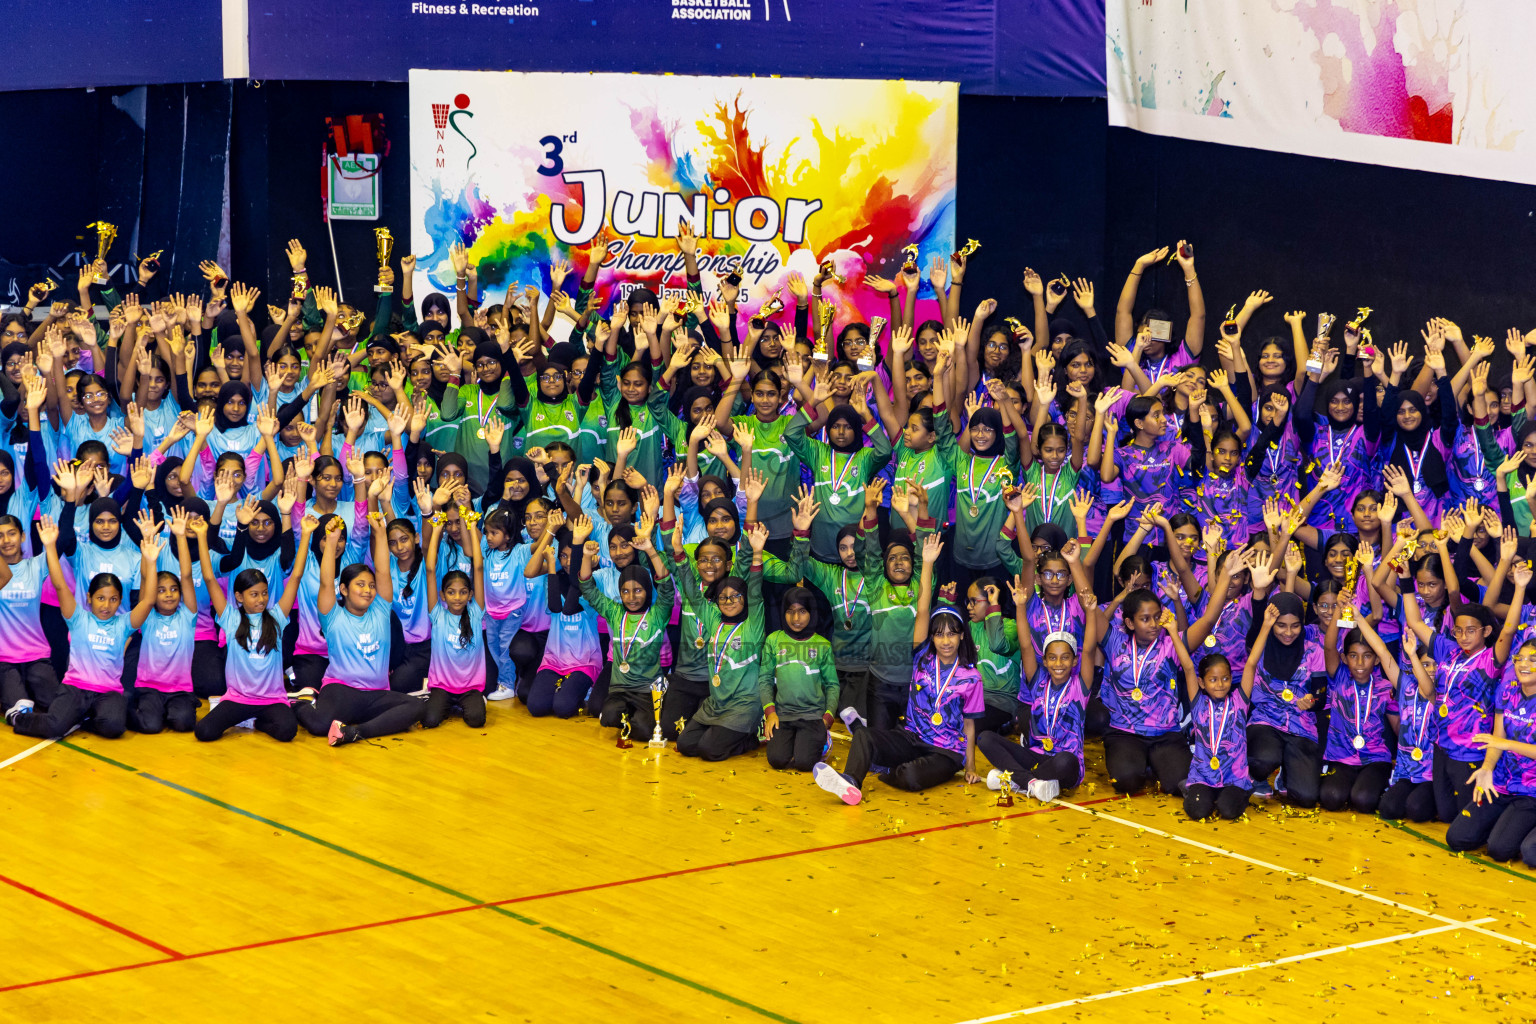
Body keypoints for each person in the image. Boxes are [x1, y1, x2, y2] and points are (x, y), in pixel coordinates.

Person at [812, 535, 984, 804]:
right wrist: (926, 563)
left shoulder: (970, 677)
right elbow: (924, 607)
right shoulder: (921, 658)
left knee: (910, 776)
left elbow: (970, 725)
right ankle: (850, 783)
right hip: (913, 739)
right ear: (932, 637)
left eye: (952, 634)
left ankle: (889, 772)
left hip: (945, 751)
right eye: (939, 635)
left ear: (963, 636)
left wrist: (971, 765)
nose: (946, 640)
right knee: (864, 738)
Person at [9, 513, 159, 740]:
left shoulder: (124, 624)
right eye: (100, 598)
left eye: (113, 599)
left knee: (115, 727)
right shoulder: (77, 617)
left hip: (107, 692)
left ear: (120, 601)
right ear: (89, 598)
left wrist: (150, 560)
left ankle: (86, 717)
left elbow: (148, 600)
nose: (106, 605)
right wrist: (50, 546)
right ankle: (20, 718)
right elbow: (59, 584)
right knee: (54, 728)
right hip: (75, 688)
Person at [290, 514, 426, 745]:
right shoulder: (332, 616)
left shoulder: (381, 611)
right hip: (342, 691)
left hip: (376, 693)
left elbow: (383, 572)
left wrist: (381, 533)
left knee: (414, 706)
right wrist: (332, 540)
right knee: (319, 726)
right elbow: (325, 582)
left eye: (371, 586)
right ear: (343, 589)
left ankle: (355, 731)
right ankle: (302, 703)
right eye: (360, 585)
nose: (368, 591)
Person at [190, 507, 313, 741]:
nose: (261, 599)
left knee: (288, 731)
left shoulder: (277, 617)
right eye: (254, 594)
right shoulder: (230, 618)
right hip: (238, 698)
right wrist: (202, 537)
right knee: (204, 732)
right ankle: (243, 716)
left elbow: (295, 576)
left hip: (271, 699)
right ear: (239, 597)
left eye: (264, 593)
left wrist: (306, 534)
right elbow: (208, 577)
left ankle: (256, 721)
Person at [978, 578, 1099, 803]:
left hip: (1064, 764)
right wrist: (1021, 607)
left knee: (1066, 761)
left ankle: (1015, 780)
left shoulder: (1079, 686)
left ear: (1075, 661)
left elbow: (1090, 649)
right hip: (1036, 756)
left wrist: (1090, 613)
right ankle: (1032, 783)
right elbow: (1025, 646)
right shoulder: (1037, 680)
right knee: (985, 738)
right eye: (1052, 658)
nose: (1058, 663)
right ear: (1044, 661)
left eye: (1065, 658)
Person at [673, 522, 768, 761]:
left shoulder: (752, 624)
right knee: (685, 744)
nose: (729, 601)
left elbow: (755, 590)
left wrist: (757, 554)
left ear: (745, 599)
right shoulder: (714, 618)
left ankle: (751, 736)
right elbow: (691, 591)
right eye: (723, 597)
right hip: (716, 703)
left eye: (736, 596)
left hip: (743, 704)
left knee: (709, 750)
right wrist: (678, 552)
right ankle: (725, 733)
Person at [581, 513, 674, 742]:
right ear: (619, 593)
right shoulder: (615, 612)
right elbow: (588, 588)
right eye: (625, 591)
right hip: (620, 689)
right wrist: (585, 556)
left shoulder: (658, 613)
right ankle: (629, 714)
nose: (631, 597)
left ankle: (646, 711)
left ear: (648, 592)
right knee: (607, 717)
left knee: (643, 732)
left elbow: (667, 586)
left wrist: (650, 550)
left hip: (645, 690)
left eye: (638, 591)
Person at [760, 588, 840, 772]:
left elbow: (832, 685)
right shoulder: (774, 640)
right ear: (783, 612)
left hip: (813, 716)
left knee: (805, 763)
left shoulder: (823, 645)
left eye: (802, 611)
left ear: (811, 613)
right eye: (790, 611)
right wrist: (770, 713)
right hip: (783, 714)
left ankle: (823, 739)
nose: (796, 618)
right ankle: (797, 741)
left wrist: (827, 718)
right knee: (777, 760)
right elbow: (764, 678)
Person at [423, 505, 488, 729]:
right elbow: (430, 569)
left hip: (470, 688)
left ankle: (468, 703)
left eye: (462, 592)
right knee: (430, 721)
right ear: (443, 595)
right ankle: (443, 703)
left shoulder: (476, 612)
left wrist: (471, 528)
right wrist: (437, 530)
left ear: (470, 594)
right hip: (442, 687)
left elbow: (477, 567)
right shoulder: (437, 614)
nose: (457, 597)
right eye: (451, 592)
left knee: (477, 721)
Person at [1184, 646, 1252, 822]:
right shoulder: (1198, 703)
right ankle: (1192, 788)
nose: (1220, 684)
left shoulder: (1239, 702)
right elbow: (1188, 668)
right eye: (1213, 680)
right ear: (1202, 683)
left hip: (1233, 779)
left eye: (1225, 679)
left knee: (1228, 811)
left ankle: (1241, 792)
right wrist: (1172, 631)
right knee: (1197, 811)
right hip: (1203, 777)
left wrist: (1267, 625)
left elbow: (1251, 664)